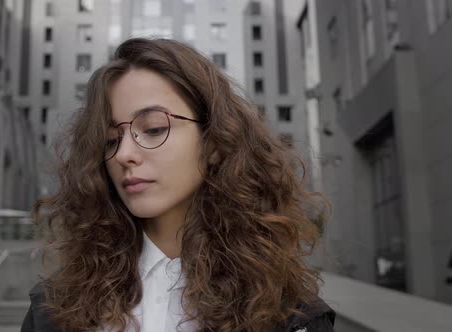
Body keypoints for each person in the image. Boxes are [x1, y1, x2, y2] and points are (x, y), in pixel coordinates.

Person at [21, 38, 335, 332]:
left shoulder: (291, 313)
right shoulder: (54, 308)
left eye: (154, 129)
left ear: (214, 141)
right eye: (110, 140)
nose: (124, 155)